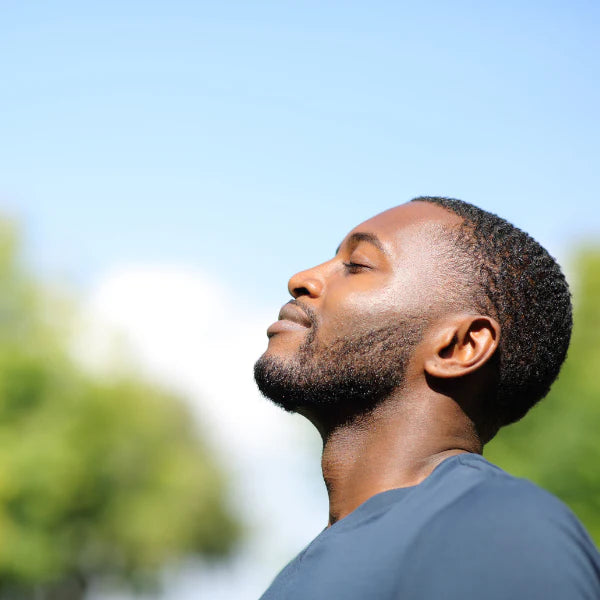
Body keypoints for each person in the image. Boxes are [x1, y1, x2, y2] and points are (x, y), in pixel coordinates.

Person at [254, 197, 600, 600]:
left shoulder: (500, 529)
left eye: (358, 264)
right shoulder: (298, 574)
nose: (302, 279)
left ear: (460, 347)